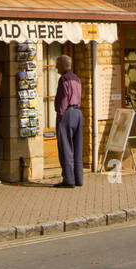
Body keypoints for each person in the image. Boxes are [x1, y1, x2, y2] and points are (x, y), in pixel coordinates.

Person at [54, 55, 84, 187]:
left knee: (66, 147)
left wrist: (60, 115)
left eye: (57, 64)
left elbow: (63, 99)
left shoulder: (63, 79)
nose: (55, 66)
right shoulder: (77, 78)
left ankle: (69, 179)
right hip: (78, 112)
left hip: (67, 114)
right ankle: (78, 178)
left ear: (62, 65)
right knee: (77, 147)